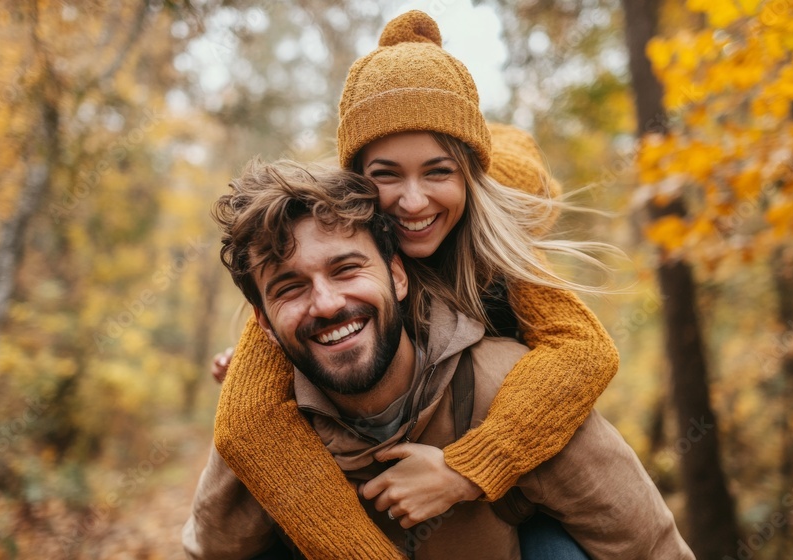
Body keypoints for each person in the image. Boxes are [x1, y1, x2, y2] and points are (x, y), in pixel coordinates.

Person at [214, 11, 626, 559]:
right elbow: (246, 424)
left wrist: (471, 467)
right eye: (386, 175)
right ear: (354, 181)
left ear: (470, 176)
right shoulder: (321, 256)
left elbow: (585, 349)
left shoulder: (495, 238)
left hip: (499, 481)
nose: (412, 203)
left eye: (437, 172)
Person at [182, 159, 693, 559]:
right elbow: (212, 549)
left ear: (398, 275)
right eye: (290, 287)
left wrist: (472, 469)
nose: (327, 303)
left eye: (346, 269)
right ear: (264, 324)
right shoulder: (264, 428)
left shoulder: (513, 386)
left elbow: (647, 547)